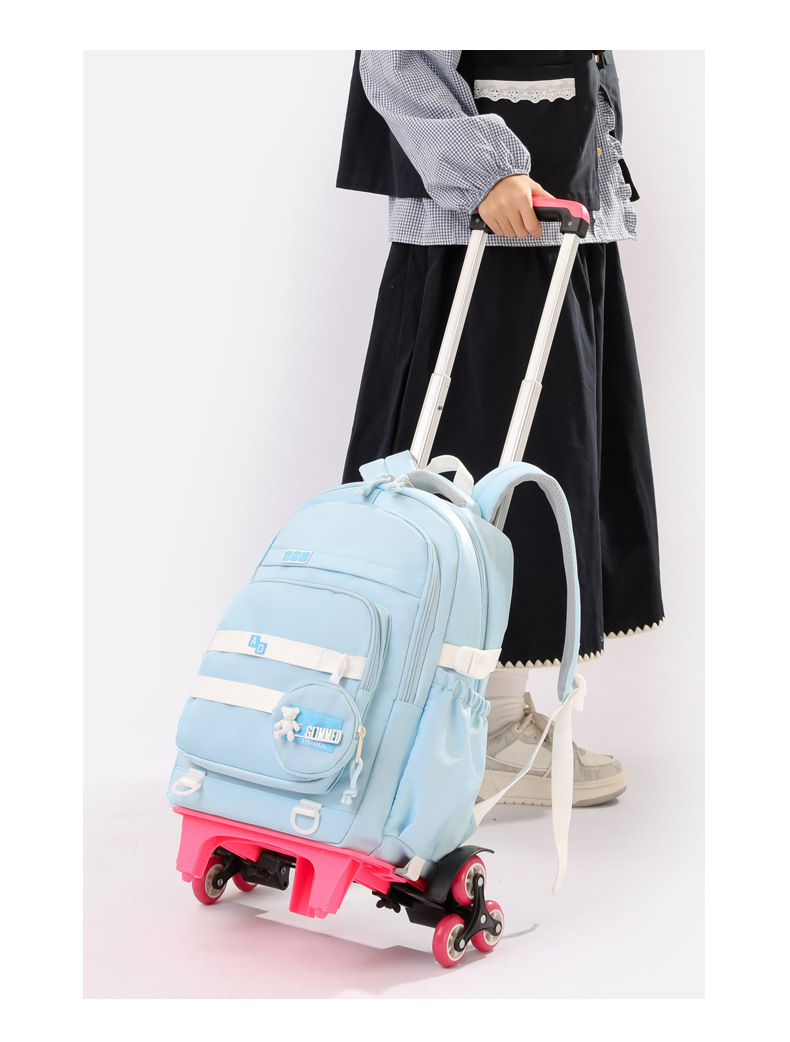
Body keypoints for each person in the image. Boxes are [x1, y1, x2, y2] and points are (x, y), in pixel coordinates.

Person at [336, 51, 664, 807]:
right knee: (480, 473)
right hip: (483, 228)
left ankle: (489, 719)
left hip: (554, 224)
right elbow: (395, 54)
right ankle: (481, 731)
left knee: (536, 471)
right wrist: (484, 170)